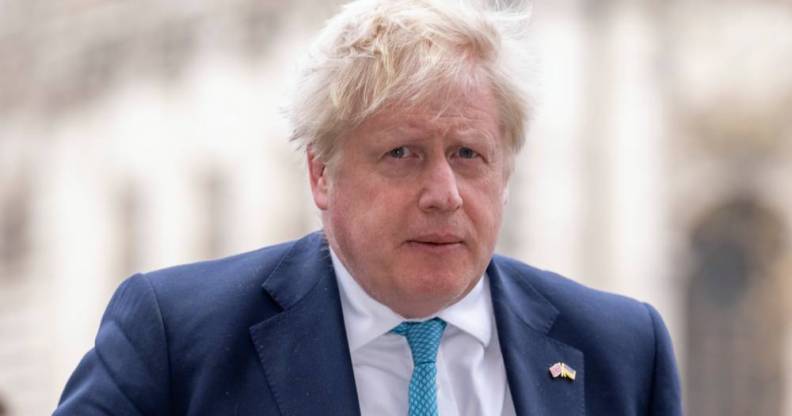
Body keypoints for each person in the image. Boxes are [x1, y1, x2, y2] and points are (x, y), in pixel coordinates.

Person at [54, 0, 682, 415]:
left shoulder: (621, 348)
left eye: (467, 153)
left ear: (506, 172)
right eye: (403, 153)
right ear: (322, 174)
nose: (444, 193)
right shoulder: (175, 339)